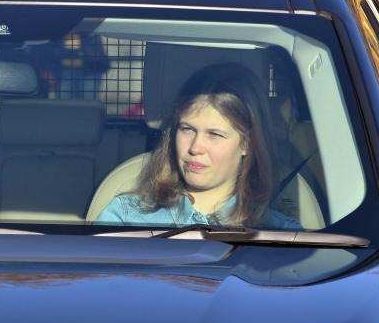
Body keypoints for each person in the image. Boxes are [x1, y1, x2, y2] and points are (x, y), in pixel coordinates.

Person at [94, 64, 299, 229]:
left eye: (214, 134)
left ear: (248, 143)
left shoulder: (281, 235)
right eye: (187, 129)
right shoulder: (125, 217)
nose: (195, 147)